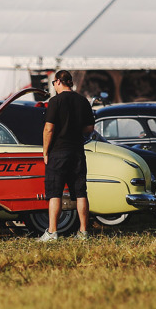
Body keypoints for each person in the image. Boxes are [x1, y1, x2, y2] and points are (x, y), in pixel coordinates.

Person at [40, 70, 95, 242]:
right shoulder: (83, 101)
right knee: (80, 193)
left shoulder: (55, 101)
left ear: (57, 82)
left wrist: (45, 151)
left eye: (53, 83)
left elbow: (49, 128)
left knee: (55, 193)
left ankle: (52, 232)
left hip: (58, 152)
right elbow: (89, 129)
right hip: (77, 152)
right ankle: (84, 232)